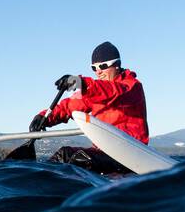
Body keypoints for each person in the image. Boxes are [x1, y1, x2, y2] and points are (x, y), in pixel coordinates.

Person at [28, 41, 148, 172]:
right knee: (64, 154)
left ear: (117, 65)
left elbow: (111, 91)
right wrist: (44, 117)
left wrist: (81, 83)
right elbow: (69, 106)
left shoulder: (131, 87)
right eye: (94, 68)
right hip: (104, 152)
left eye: (103, 66)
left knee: (80, 159)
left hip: (130, 153)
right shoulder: (94, 93)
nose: (98, 72)